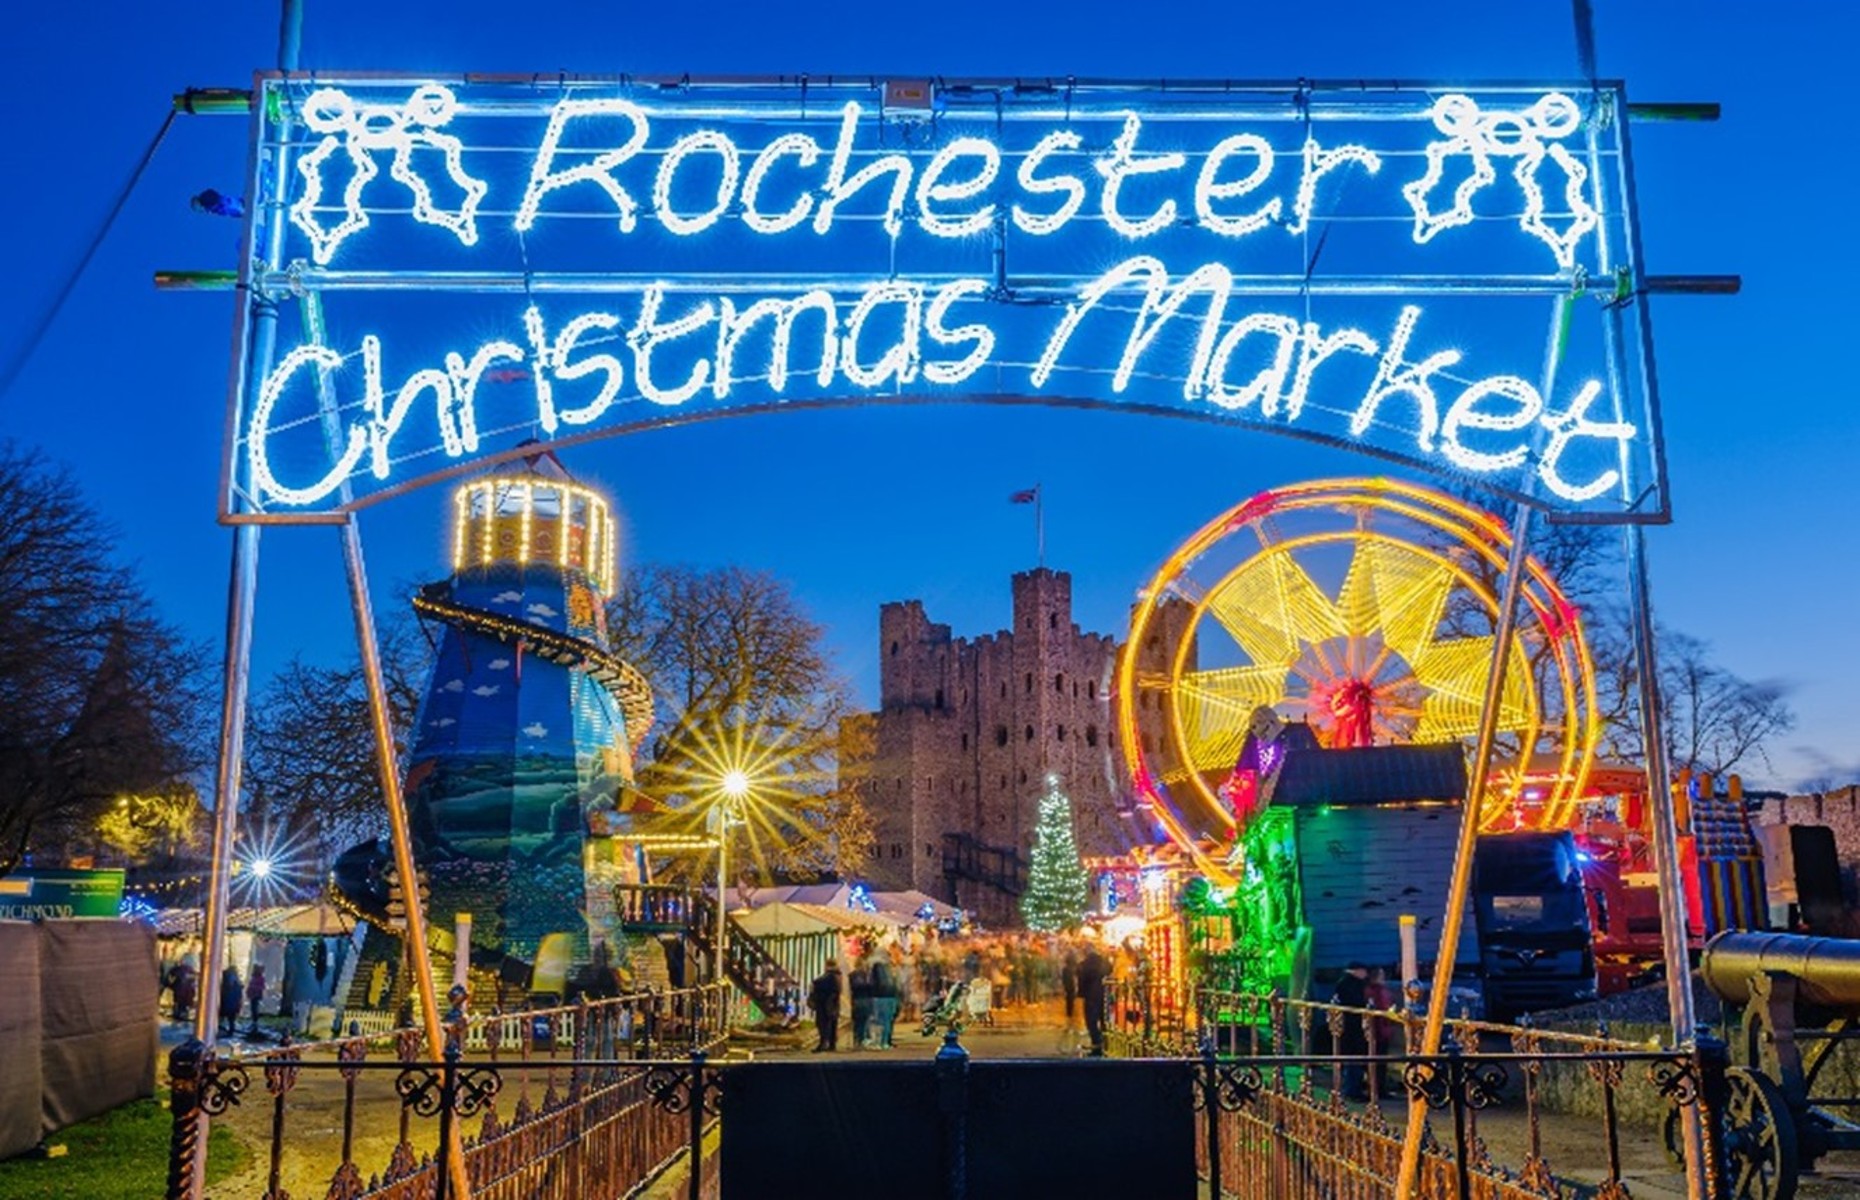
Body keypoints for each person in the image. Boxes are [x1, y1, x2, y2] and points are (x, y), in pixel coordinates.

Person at [1332, 962, 1371, 1101]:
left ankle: (1350, 1088)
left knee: (1350, 1059)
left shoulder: (1343, 983)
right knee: (1353, 1059)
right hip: (1352, 1027)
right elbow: (1355, 1003)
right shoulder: (1351, 984)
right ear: (1357, 971)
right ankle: (1352, 1090)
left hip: (1347, 1027)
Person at [1077, 942, 1109, 1057]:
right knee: (1105, 1020)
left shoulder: (1084, 965)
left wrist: (1081, 994)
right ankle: (1107, 1044)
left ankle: (1097, 1045)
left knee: (1091, 1021)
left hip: (1091, 996)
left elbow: (1082, 981)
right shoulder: (1105, 962)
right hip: (1105, 994)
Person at [809, 960, 843, 1051]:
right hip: (833, 1003)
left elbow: (819, 983)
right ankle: (832, 1044)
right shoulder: (838, 975)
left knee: (823, 1023)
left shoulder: (830, 976)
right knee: (832, 1023)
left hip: (826, 1003)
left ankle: (824, 1043)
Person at [870, 953, 900, 1049]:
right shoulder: (889, 969)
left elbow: (875, 983)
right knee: (887, 1020)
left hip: (880, 997)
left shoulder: (876, 968)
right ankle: (885, 1041)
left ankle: (880, 1042)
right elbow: (895, 983)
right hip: (890, 997)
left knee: (880, 1020)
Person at [848, 958, 874, 1048]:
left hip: (856, 999)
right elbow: (871, 988)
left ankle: (857, 1040)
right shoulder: (867, 975)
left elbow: (852, 988)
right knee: (864, 1021)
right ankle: (862, 1039)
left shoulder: (852, 975)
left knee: (857, 1021)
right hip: (865, 999)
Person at [219, 965, 244, 1037]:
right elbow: (239, 995)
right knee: (231, 1018)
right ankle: (230, 1031)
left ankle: (222, 1029)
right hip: (232, 1003)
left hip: (226, 1002)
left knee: (224, 1016)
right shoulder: (237, 982)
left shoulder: (225, 980)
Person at [246, 964, 267, 1034]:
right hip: (252, 995)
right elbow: (250, 985)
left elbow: (262, 987)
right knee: (253, 1008)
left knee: (255, 1009)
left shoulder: (261, 978)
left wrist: (254, 988)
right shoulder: (253, 977)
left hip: (256, 995)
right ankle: (253, 1022)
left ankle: (255, 1022)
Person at [1061, 949, 1080, 1026]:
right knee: (1071, 997)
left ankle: (1069, 1013)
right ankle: (1071, 1012)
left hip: (1068, 985)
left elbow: (1063, 978)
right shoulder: (1075, 967)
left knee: (1069, 998)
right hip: (1072, 984)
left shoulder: (1065, 969)